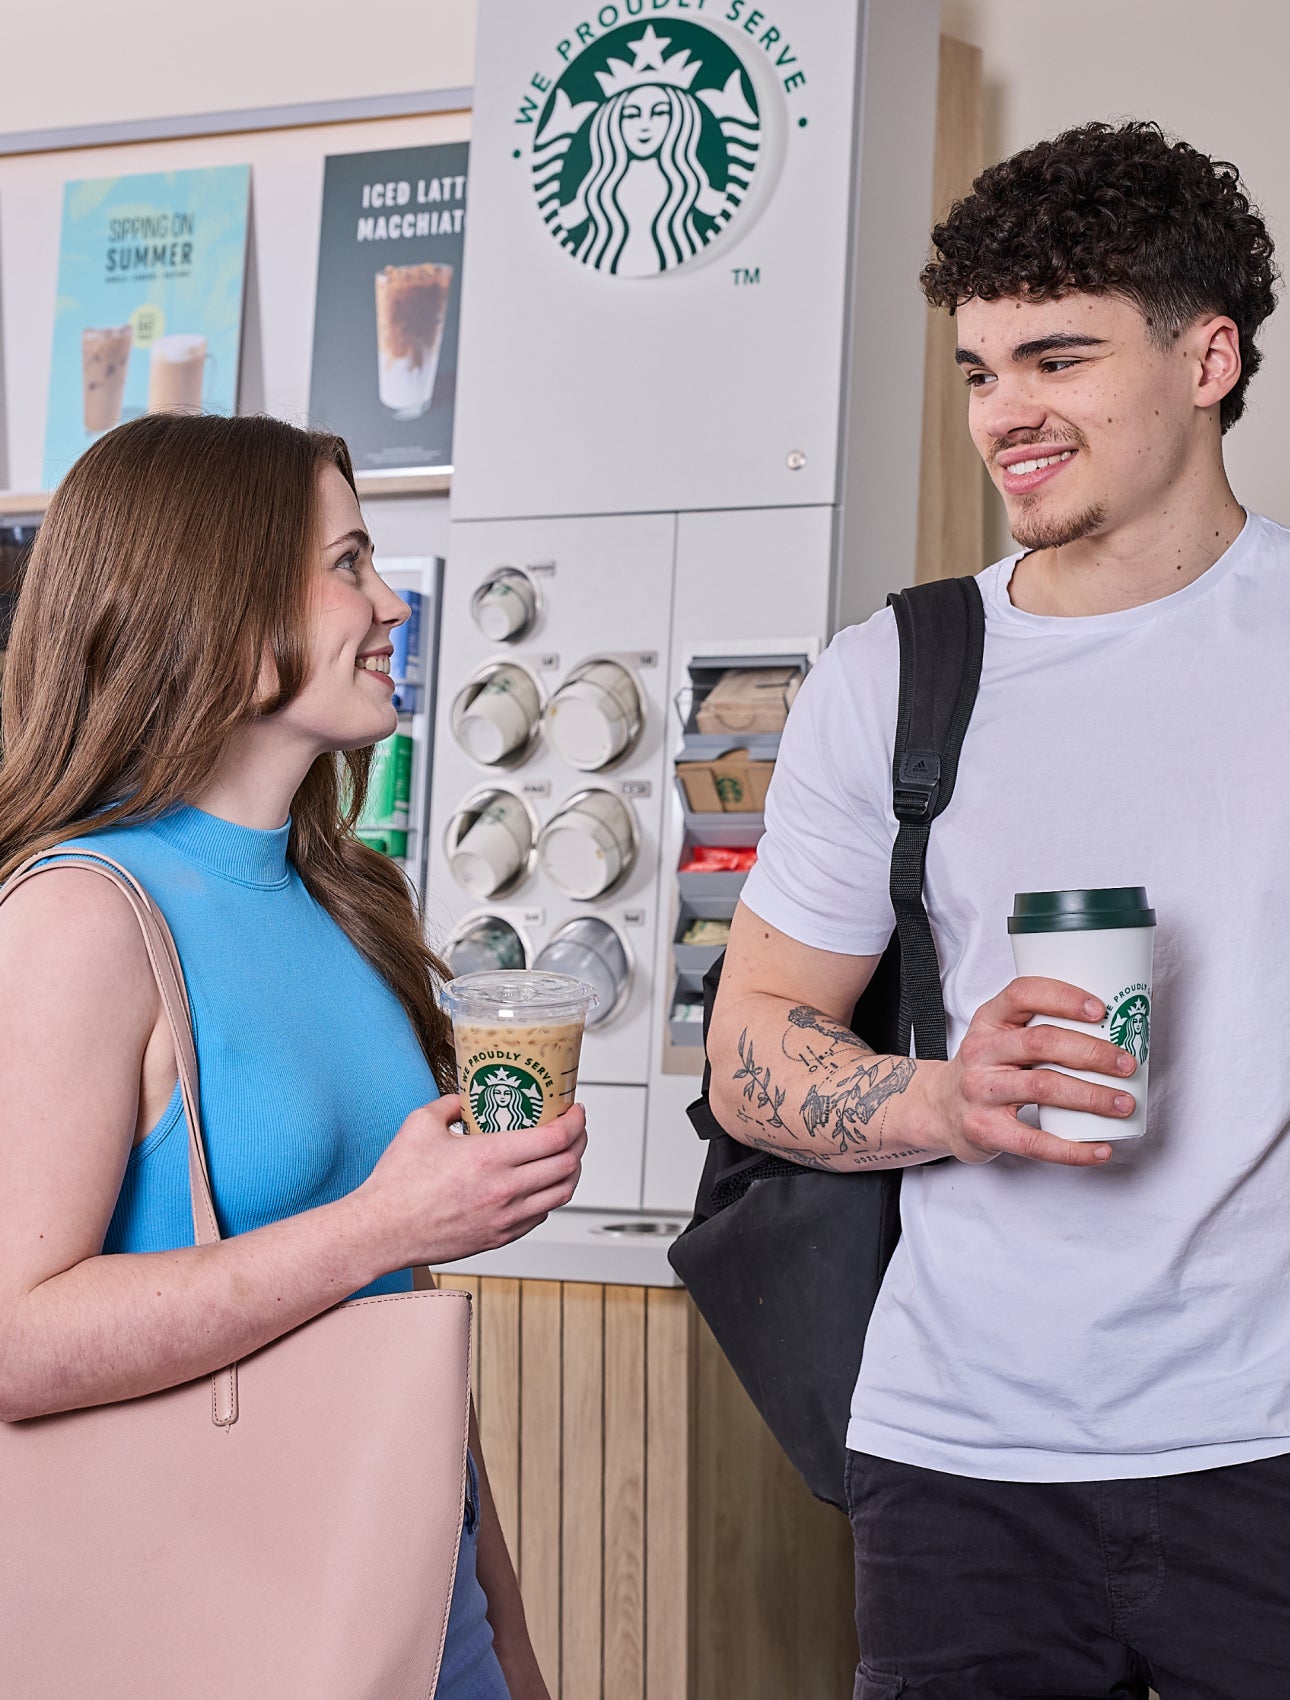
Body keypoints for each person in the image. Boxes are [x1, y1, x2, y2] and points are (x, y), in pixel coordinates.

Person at [708, 121, 1290, 1698]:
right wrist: (947, 1097)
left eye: (1054, 358)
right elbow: (751, 1048)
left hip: (1264, 1442)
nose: (1003, 417)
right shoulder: (891, 674)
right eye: (977, 372)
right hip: (954, 1464)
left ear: (1206, 357)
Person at [0, 411, 585, 1700]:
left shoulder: (346, 899)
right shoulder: (80, 917)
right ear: (215, 599)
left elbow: (389, 1334)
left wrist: (502, 1647)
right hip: (203, 1614)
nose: (390, 603)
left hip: (407, 1604)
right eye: (350, 563)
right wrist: (384, 1224)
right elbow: (15, 1341)